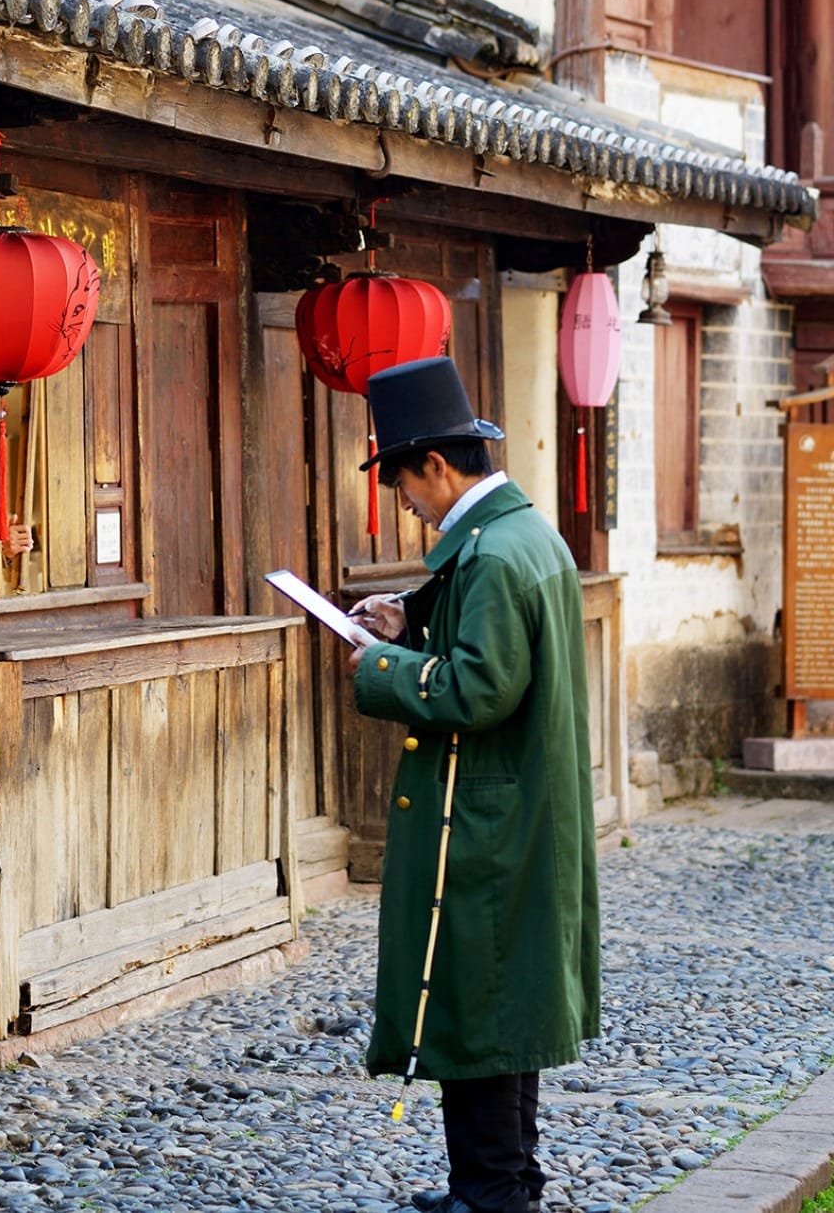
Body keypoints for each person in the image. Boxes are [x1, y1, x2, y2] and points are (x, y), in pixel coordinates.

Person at [346, 357, 600, 1213]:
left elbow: (478, 688)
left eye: (403, 483)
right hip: (517, 805)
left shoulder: (492, 553)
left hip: (486, 814)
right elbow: (491, 642)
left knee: (477, 1000)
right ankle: (503, 1182)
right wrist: (412, 619)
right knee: (504, 1000)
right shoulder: (519, 536)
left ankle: (493, 1195)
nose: (405, 503)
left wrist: (383, 664)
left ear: (438, 467)